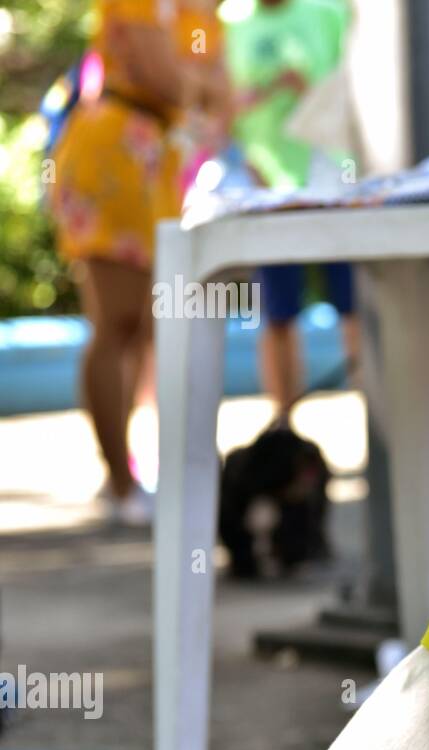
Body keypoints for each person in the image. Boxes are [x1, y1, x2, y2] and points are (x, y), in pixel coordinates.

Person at [48, 0, 229, 525]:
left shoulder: (203, 11)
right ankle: (120, 483)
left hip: (159, 166)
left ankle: (136, 475)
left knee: (153, 327)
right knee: (118, 323)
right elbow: (176, 84)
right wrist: (198, 84)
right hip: (113, 159)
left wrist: (194, 84)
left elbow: (217, 94)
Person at [223, 0, 359, 416]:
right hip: (264, 189)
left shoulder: (329, 11)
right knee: (278, 313)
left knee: (355, 305)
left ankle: (377, 422)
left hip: (332, 182)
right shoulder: (230, 20)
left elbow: (353, 86)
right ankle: (283, 425)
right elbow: (217, 103)